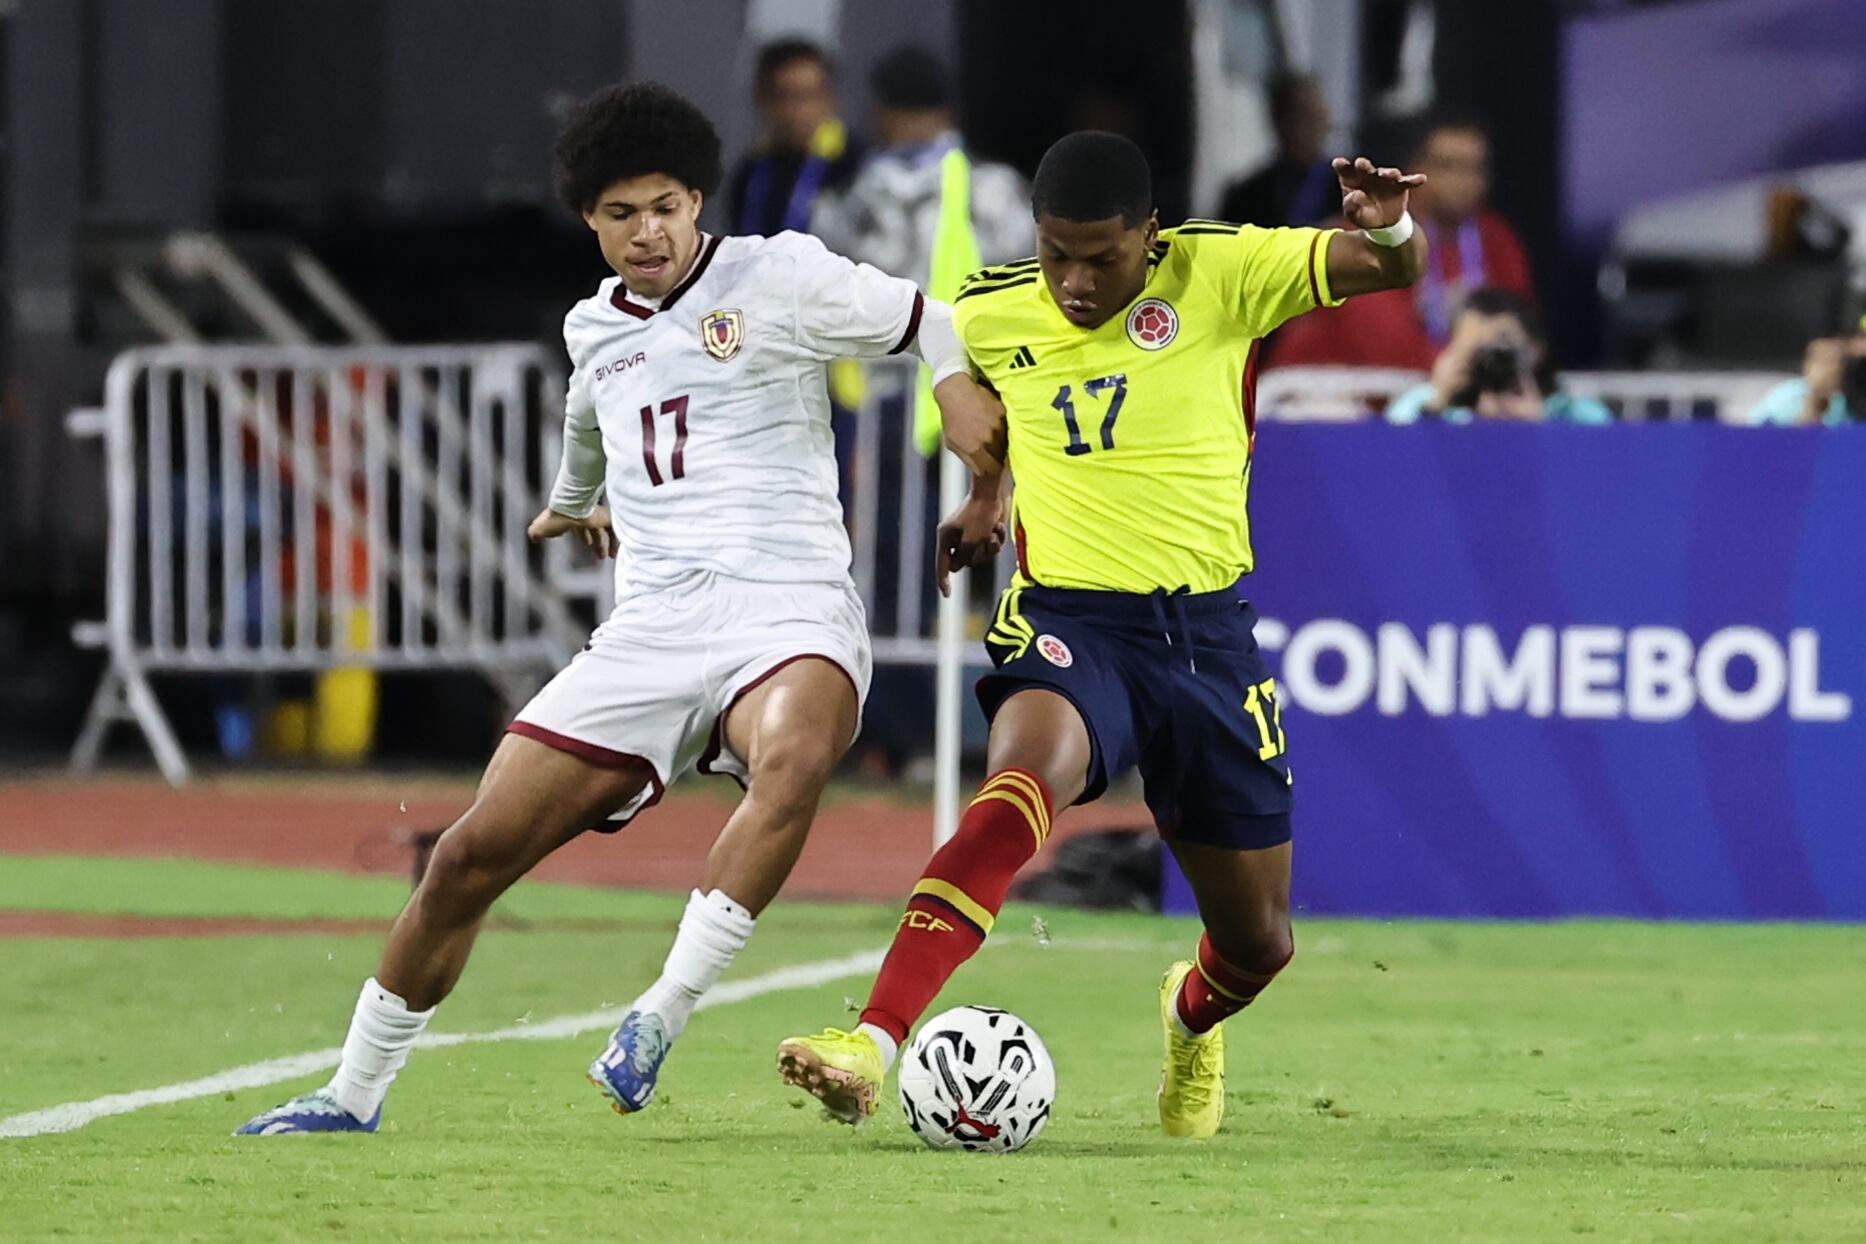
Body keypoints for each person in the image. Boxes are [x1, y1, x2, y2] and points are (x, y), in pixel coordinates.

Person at [235, 81, 1000, 1136]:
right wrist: (572, 501)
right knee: (465, 855)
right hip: (651, 628)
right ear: (590, 222)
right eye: (621, 214)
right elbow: (588, 420)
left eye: (665, 207)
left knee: (792, 754)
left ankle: (657, 1014)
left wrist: (956, 389)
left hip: (790, 608)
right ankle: (351, 1091)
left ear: (696, 200)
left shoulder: (777, 275)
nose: (648, 232)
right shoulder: (593, 328)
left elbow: (934, 316)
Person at [777, 132, 1429, 1138]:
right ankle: (872, 1037)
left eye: (1102, 258)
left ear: (1151, 236)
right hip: (1073, 617)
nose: (1076, 281)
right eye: (1056, 254)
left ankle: (1190, 1013)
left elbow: (1385, 265)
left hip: (1207, 640)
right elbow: (958, 356)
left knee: (1259, 941)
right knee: (1019, 785)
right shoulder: (996, 306)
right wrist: (986, 491)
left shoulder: (1225, 271)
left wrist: (1391, 232)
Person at [1268, 115, 1531, 371]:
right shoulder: (1359, 238)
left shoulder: (1496, 239)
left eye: (1476, 168)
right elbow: (1385, 352)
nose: (1465, 182)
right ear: (1410, 171)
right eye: (1448, 166)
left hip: (1428, 394)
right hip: (1319, 403)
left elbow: (1522, 335)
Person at [812, 44, 1031, 288]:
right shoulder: (997, 188)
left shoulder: (848, 197)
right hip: (968, 324)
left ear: (881, 111)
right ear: (947, 111)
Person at [1384, 287, 1611, 425]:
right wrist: (1436, 408)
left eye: (1501, 349)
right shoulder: (1422, 405)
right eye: (1474, 350)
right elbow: (1397, 461)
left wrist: (1540, 429)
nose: (1489, 359)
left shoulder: (1580, 416)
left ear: (1537, 350)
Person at [724, 39, 864, 238]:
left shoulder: (859, 166)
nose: (797, 110)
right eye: (784, 96)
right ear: (763, 99)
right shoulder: (751, 171)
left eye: (807, 95)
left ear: (829, 97)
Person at [1217, 74, 1338, 228]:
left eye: (1315, 117)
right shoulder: (1246, 197)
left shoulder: (1350, 190)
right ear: (1277, 122)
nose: (1305, 130)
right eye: (1298, 118)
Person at [1745, 321, 1866, 426]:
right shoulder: (1788, 394)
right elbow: (1755, 431)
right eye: (1824, 363)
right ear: (1807, 366)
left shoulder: (1845, 402)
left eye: (1839, 363)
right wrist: (1814, 400)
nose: (1832, 370)